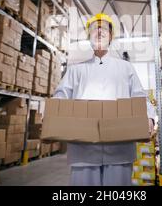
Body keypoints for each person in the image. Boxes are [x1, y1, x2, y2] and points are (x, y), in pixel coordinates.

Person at [53, 13, 156, 186]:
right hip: (84, 149)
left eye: (104, 29)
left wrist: (150, 117)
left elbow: (139, 96)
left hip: (119, 147)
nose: (99, 31)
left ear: (111, 37)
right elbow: (60, 97)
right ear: (88, 37)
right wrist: (50, 114)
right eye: (94, 28)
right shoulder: (75, 71)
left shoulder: (126, 68)